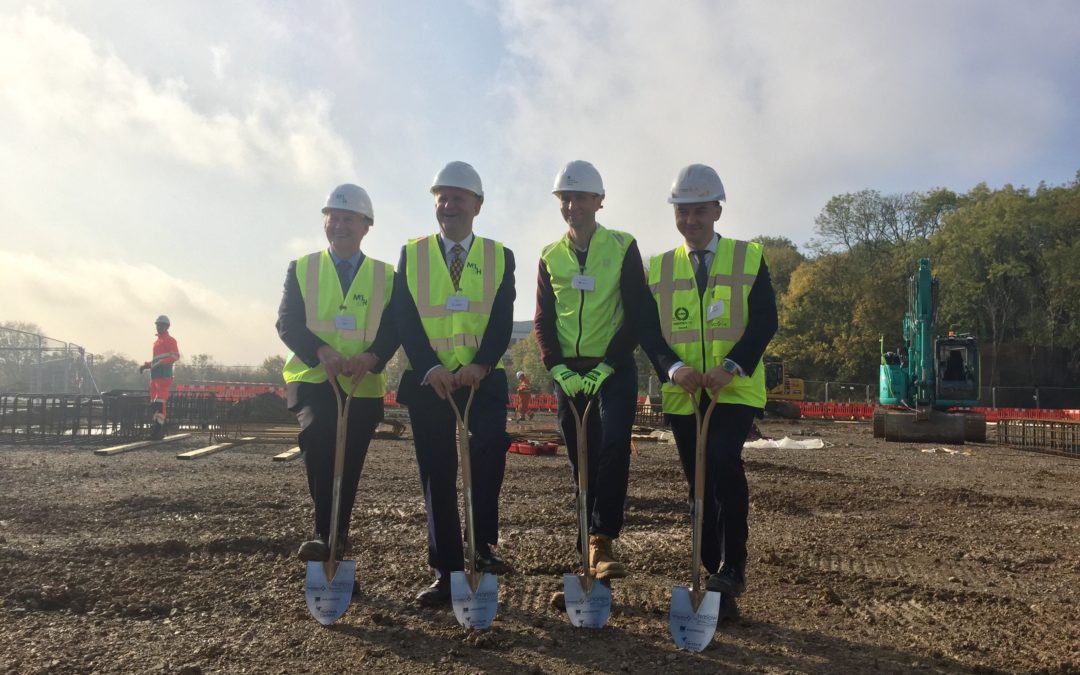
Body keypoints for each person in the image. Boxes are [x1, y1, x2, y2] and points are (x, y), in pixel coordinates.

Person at [638, 164, 778, 619]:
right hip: (684, 393)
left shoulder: (748, 256)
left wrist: (731, 365)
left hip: (732, 391)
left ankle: (732, 566)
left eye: (700, 210)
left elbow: (764, 320)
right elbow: (648, 331)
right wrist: (673, 367)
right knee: (697, 481)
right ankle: (711, 574)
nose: (691, 220)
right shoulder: (658, 268)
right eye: (683, 211)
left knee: (720, 459)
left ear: (717, 209)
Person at [392, 161, 516, 607]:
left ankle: (481, 547)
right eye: (441, 198)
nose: (448, 205)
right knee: (437, 473)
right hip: (432, 383)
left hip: (481, 381)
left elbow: (502, 321)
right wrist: (429, 366)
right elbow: (404, 317)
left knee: (487, 458)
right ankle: (447, 570)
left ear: (476, 206)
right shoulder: (414, 253)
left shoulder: (500, 256)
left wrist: (482, 365)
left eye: (457, 198)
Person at [535, 160, 645, 587]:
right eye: (565, 197)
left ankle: (602, 538)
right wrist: (556, 367)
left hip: (612, 369)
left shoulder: (621, 246)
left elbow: (635, 316)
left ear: (599, 201)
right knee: (579, 453)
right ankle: (587, 534)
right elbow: (543, 320)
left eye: (580, 196)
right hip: (569, 374)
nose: (571, 204)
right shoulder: (549, 254)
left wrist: (606, 366)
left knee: (614, 446)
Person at [276, 183, 400, 563]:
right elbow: (287, 322)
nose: (340, 225)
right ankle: (324, 532)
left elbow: (395, 326)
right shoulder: (303, 269)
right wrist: (321, 351)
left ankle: (335, 535)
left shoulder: (387, 276)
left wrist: (373, 356)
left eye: (349, 219)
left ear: (366, 226)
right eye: (334, 218)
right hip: (314, 380)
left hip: (363, 385)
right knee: (319, 436)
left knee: (348, 464)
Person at [139, 315, 180, 440]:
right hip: (155, 377)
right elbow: (156, 360)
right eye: (157, 325)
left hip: (164, 376)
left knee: (160, 404)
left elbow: (175, 356)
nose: (159, 327)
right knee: (154, 404)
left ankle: (158, 430)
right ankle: (157, 429)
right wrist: (146, 365)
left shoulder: (170, 340)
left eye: (161, 325)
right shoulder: (156, 342)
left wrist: (162, 363)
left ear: (167, 327)